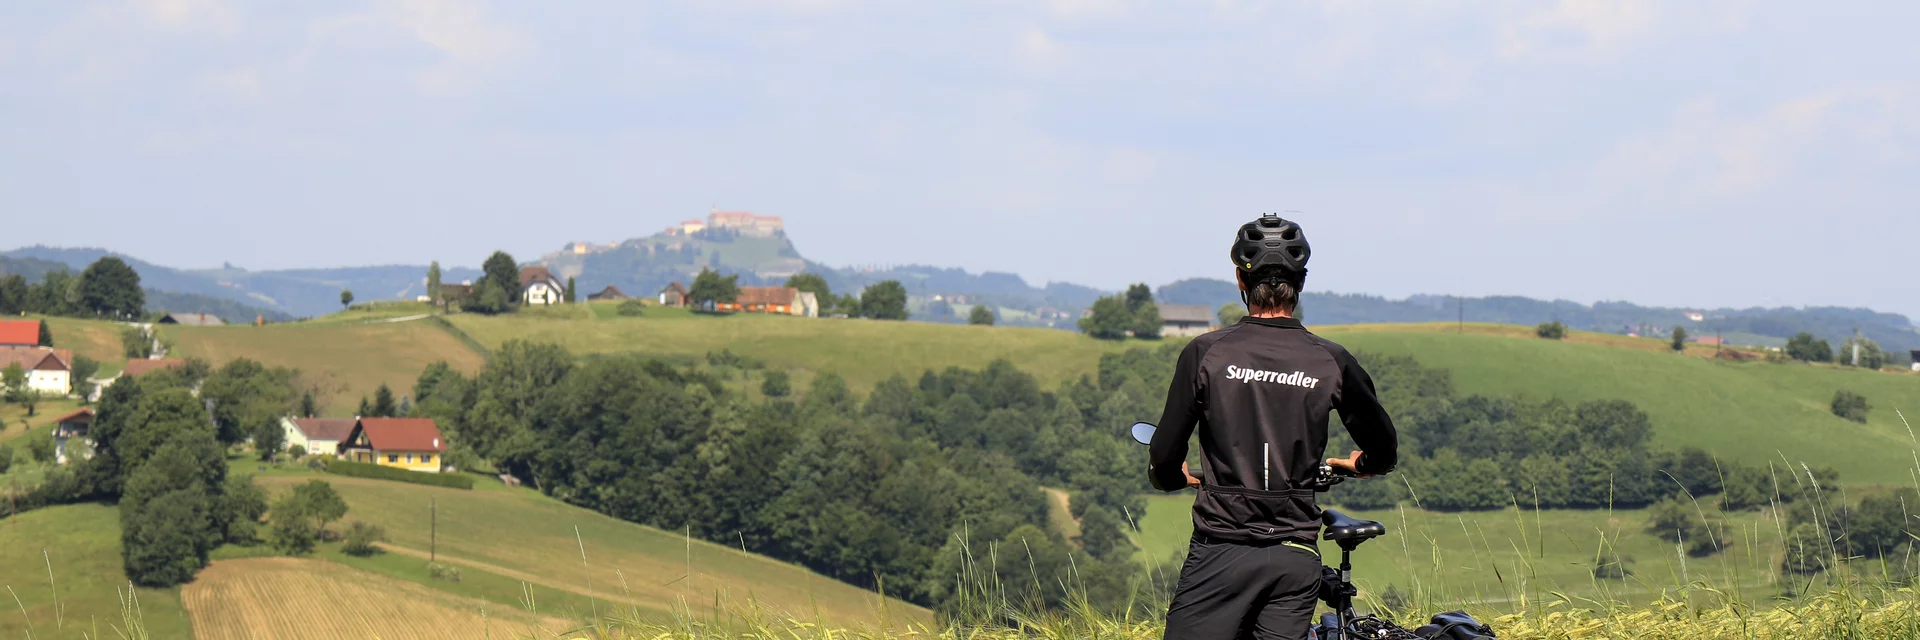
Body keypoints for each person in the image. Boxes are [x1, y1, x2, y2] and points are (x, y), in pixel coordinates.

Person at [1148, 214, 1399, 640]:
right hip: (1295, 555)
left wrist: (1176, 477)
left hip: (1222, 549)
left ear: (1240, 282)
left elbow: (1164, 455)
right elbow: (1384, 450)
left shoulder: (1206, 353)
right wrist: (1362, 464)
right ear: (1300, 283)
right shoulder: (1330, 360)